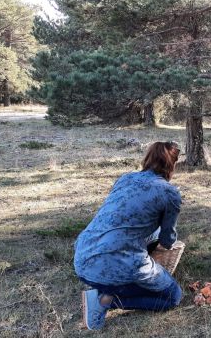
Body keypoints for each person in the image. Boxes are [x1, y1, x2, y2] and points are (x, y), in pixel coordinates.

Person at [74, 141, 183, 330]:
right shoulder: (170, 192)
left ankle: (105, 290)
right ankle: (106, 300)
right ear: (172, 165)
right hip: (117, 262)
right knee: (172, 297)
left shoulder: (124, 179)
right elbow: (167, 241)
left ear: (148, 159)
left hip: (83, 259)